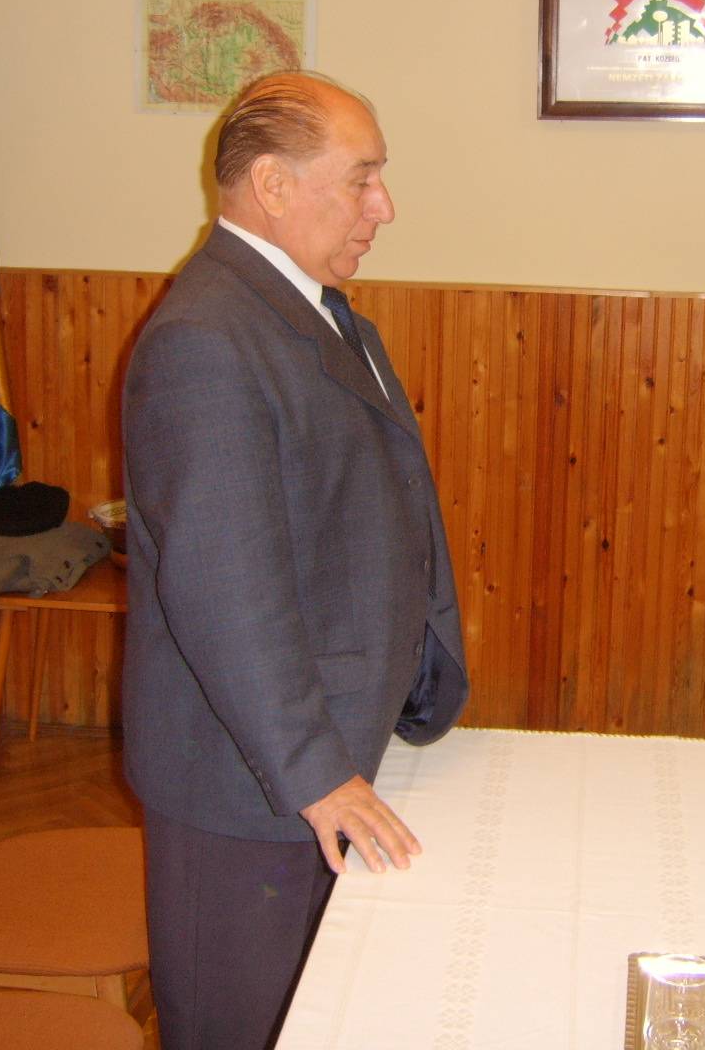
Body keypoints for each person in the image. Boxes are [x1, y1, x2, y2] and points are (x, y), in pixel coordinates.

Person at [121, 71, 469, 1050]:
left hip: (330, 736)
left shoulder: (312, 309)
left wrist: (422, 673)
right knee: (241, 1026)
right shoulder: (205, 338)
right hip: (250, 783)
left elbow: (384, 508)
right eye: (362, 179)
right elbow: (222, 587)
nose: (383, 207)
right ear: (273, 186)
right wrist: (317, 775)